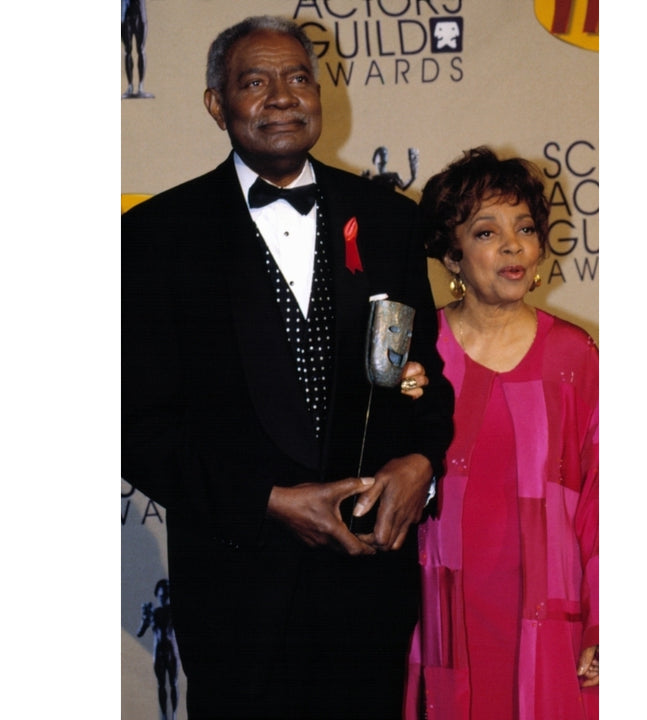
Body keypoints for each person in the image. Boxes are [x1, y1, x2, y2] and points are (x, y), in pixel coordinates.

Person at [122, 15, 454, 720]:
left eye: (298, 77)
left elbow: (426, 378)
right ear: (217, 104)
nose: (281, 97)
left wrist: (422, 460)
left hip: (369, 596)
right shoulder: (156, 237)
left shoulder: (389, 220)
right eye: (255, 82)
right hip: (239, 599)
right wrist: (268, 501)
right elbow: (136, 428)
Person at [404, 147, 598, 720]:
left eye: (526, 228)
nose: (513, 245)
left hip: (552, 622)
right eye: (487, 231)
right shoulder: (416, 349)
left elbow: (606, 502)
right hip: (436, 617)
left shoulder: (574, 355)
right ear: (452, 253)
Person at [136, 579, 179, 720]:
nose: (164, 597)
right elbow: (140, 632)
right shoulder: (153, 612)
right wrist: (144, 619)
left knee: (173, 683)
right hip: (159, 651)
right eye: (163, 595)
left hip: (170, 650)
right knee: (162, 685)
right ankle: (165, 716)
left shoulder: (172, 610)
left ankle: (172, 715)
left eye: (166, 595)